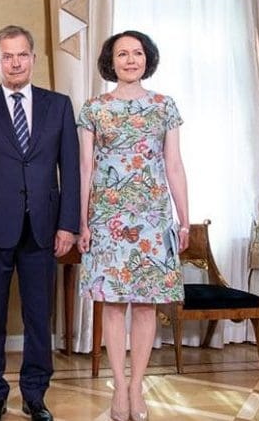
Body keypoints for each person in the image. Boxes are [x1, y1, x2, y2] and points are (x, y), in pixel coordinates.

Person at [0, 25, 79, 421]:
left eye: (22, 54)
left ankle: (35, 394)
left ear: (33, 58)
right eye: (7, 56)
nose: (15, 62)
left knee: (39, 316)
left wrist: (67, 224)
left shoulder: (58, 105)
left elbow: (70, 171)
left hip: (44, 228)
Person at [77, 30, 188, 421]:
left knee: (145, 306)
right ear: (111, 61)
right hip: (107, 218)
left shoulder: (164, 106)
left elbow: (173, 164)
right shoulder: (93, 108)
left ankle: (137, 385)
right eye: (122, 53)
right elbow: (85, 168)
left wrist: (184, 218)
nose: (130, 59)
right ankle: (119, 388)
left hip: (153, 218)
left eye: (137, 53)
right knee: (110, 304)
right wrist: (82, 220)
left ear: (147, 59)